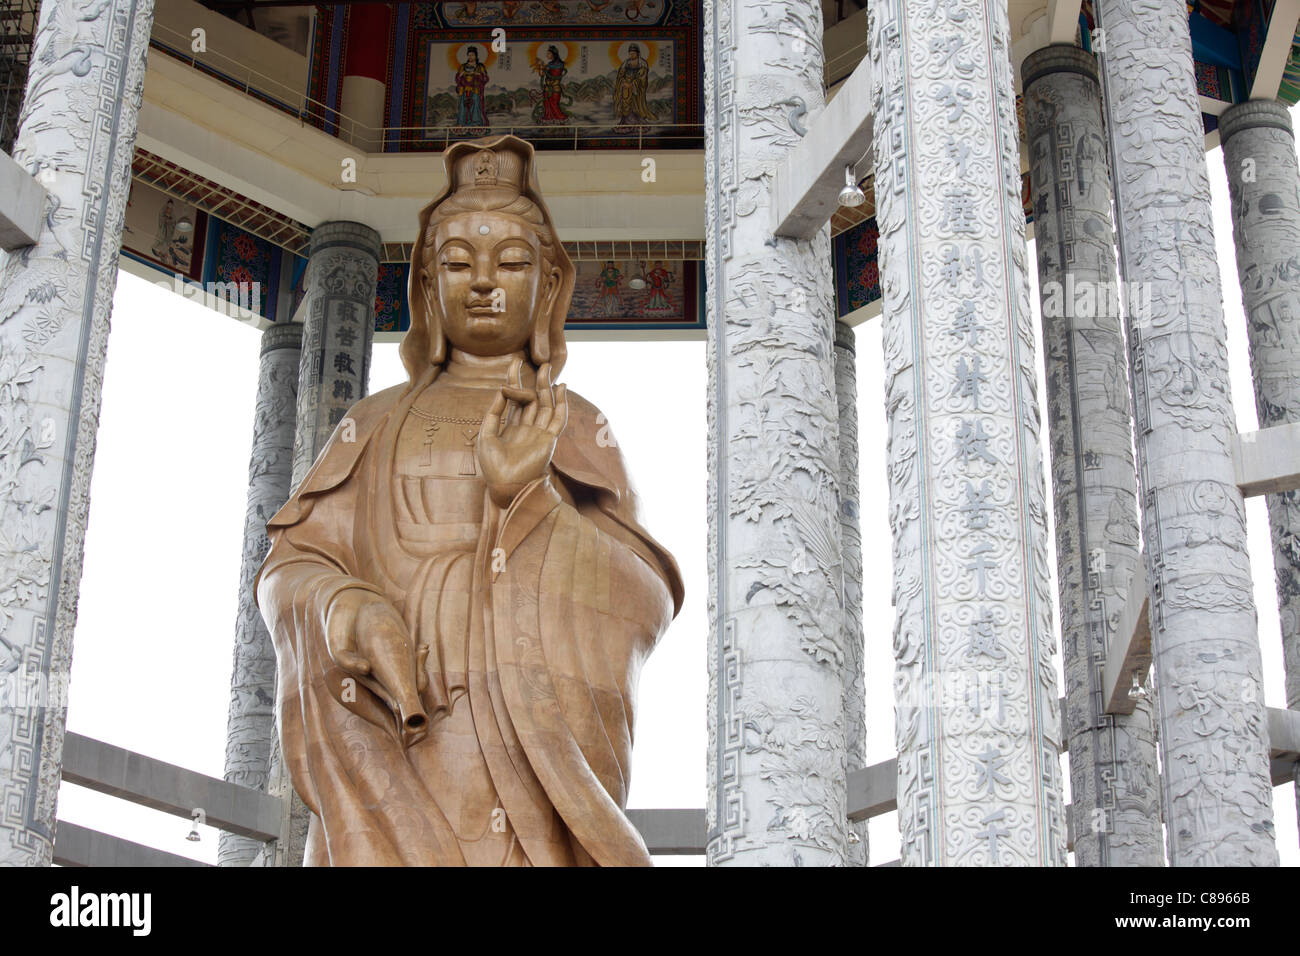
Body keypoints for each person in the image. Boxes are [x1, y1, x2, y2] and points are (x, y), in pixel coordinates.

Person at [257, 135, 683, 866]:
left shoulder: (575, 424)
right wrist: (340, 607)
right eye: (456, 263)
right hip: (391, 726)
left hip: (521, 746)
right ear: (425, 285)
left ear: (548, 287)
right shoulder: (375, 421)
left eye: (512, 263)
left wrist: (531, 502)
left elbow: (643, 598)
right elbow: (287, 567)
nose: (483, 282)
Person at [455, 46, 489, 128]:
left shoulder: (480, 67)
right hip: (464, 90)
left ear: (476, 56)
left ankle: (476, 123)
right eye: (469, 55)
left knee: (476, 105)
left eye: (472, 55)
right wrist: (461, 75)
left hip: (475, 90)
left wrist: (479, 75)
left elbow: (486, 78)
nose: (470, 57)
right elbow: (457, 79)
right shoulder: (463, 67)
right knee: (463, 106)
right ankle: (461, 123)